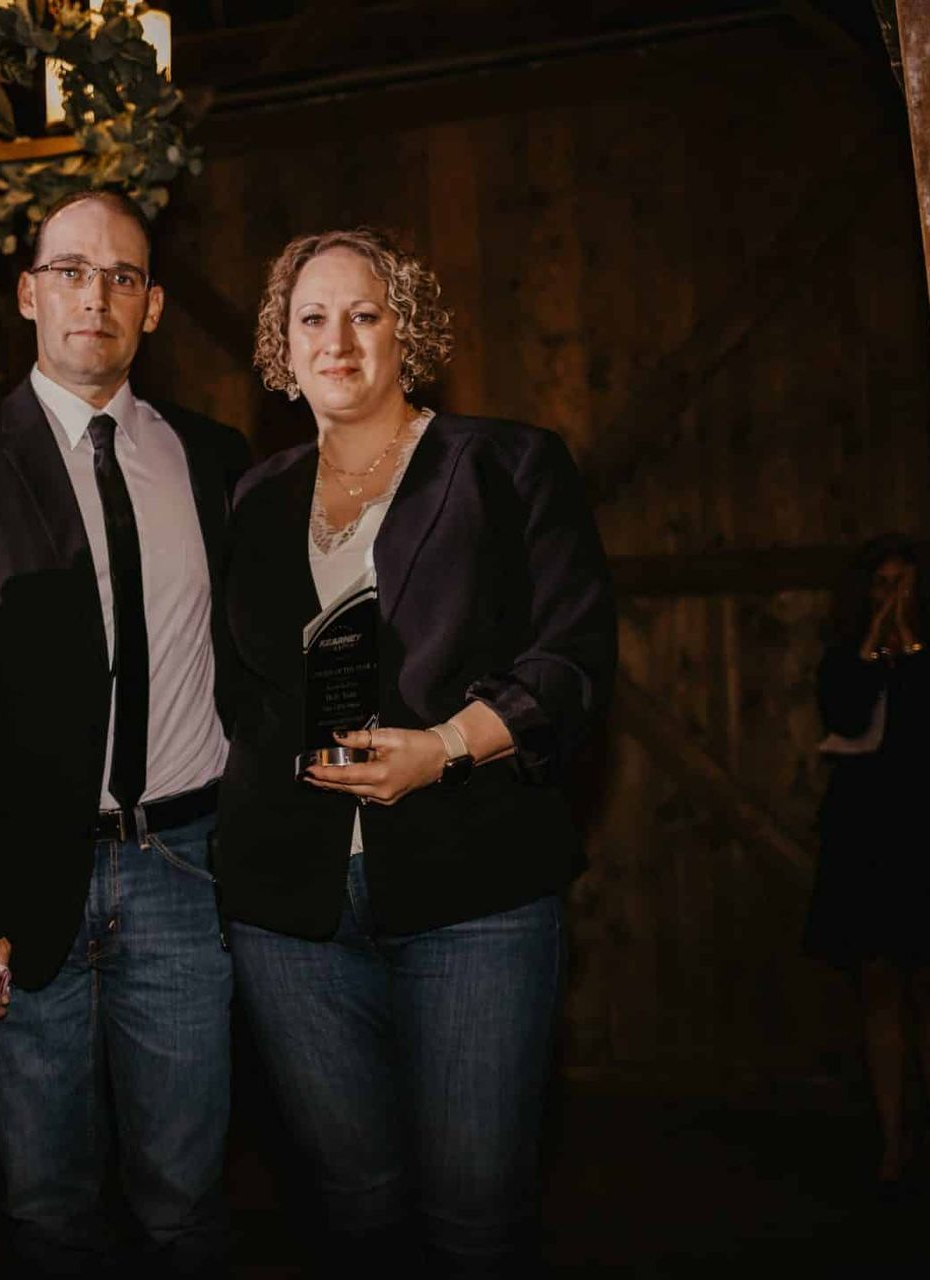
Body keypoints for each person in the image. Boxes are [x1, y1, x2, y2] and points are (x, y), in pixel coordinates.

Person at [215, 227, 615, 1273]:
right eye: (312, 318)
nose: (336, 339)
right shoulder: (253, 499)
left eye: (364, 313)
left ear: (409, 330)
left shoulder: (508, 462)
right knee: (352, 1206)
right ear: (283, 347)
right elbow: (239, 690)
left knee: (476, 1213)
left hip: (473, 889)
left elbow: (571, 661)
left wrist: (444, 746)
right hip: (288, 909)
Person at [0, 188, 249, 1275]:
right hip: (17, 888)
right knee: (46, 1209)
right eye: (73, 270)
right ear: (30, 293)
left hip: (186, 870)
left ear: (156, 306)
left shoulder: (215, 462)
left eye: (124, 275)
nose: (99, 294)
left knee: (186, 1204)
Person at [804, 535, 930, 1184]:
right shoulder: (844, 659)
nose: (893, 596)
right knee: (877, 985)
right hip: (864, 837)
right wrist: (872, 649)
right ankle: (893, 1140)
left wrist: (910, 647)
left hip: (925, 833)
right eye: (881, 584)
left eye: (904, 584)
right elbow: (841, 713)